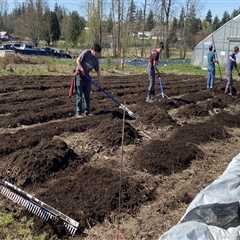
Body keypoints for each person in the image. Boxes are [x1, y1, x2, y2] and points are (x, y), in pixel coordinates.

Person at [74, 43, 101, 117]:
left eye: (98, 53)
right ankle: (78, 113)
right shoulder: (86, 53)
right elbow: (78, 60)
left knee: (87, 95)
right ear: (92, 50)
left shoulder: (96, 59)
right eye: (96, 53)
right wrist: (81, 68)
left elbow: (98, 72)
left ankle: (87, 112)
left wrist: (99, 83)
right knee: (79, 94)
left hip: (87, 77)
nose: (97, 55)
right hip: (79, 75)